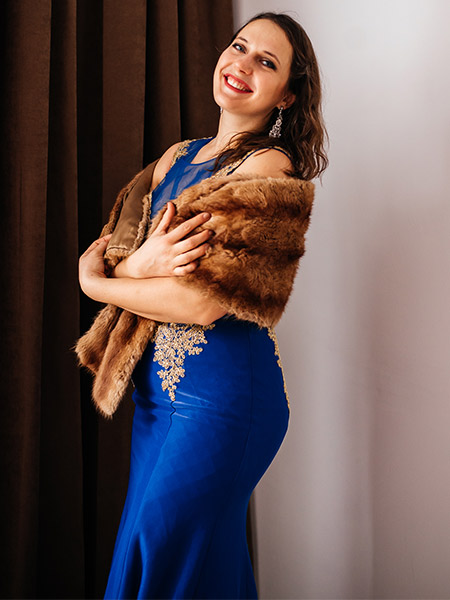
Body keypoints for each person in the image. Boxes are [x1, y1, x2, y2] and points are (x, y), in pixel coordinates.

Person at [77, 11, 327, 599]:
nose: (242, 64)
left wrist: (95, 286)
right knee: (189, 564)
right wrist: (136, 267)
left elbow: (202, 302)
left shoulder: (269, 166)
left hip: (223, 403)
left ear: (287, 95)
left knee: (160, 551)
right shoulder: (175, 157)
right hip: (156, 399)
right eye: (239, 47)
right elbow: (117, 251)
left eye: (266, 62)